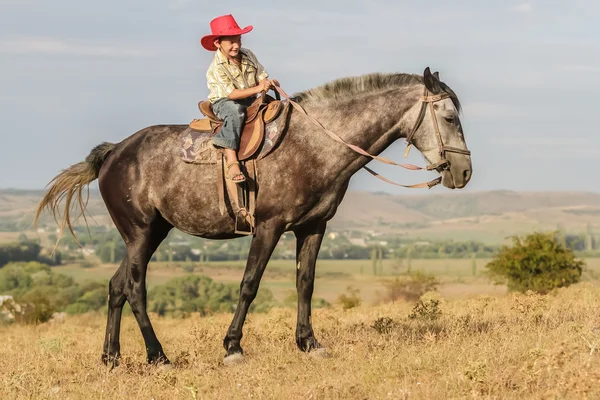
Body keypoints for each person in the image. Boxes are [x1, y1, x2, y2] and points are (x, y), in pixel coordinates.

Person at [201, 14, 279, 183]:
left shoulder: (248, 55)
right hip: (225, 102)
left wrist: (269, 82)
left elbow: (261, 75)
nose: (236, 45)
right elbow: (232, 94)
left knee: (276, 107)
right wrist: (259, 88)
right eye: (231, 42)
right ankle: (232, 160)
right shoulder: (216, 67)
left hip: (250, 98)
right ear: (218, 43)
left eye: (239, 40)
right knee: (235, 113)